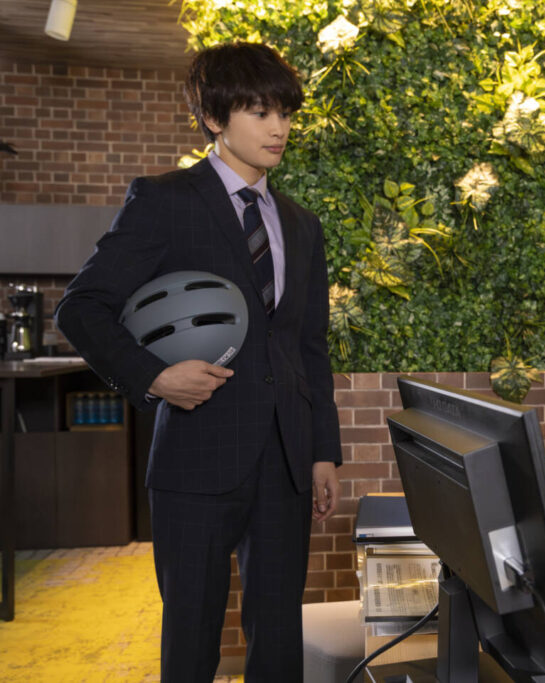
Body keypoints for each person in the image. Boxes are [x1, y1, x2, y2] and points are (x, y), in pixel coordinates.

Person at [56, 43, 343, 682]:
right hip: (196, 453)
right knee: (191, 639)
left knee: (279, 638)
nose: (279, 128)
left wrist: (322, 451)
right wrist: (154, 377)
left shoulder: (301, 225)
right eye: (260, 112)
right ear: (215, 118)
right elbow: (81, 307)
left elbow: (309, 346)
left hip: (287, 459)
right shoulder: (165, 200)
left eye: (286, 113)